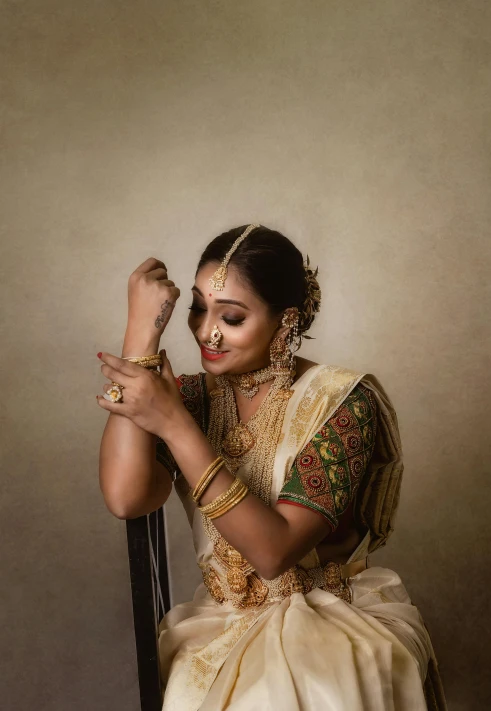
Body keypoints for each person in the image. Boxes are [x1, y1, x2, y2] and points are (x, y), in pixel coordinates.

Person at [98, 223, 447, 710]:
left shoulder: (343, 403)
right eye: (199, 308)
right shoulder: (194, 398)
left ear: (286, 321)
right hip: (221, 619)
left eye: (232, 316)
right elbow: (126, 496)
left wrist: (176, 427)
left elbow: (274, 552)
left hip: (327, 621)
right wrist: (141, 334)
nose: (206, 332)